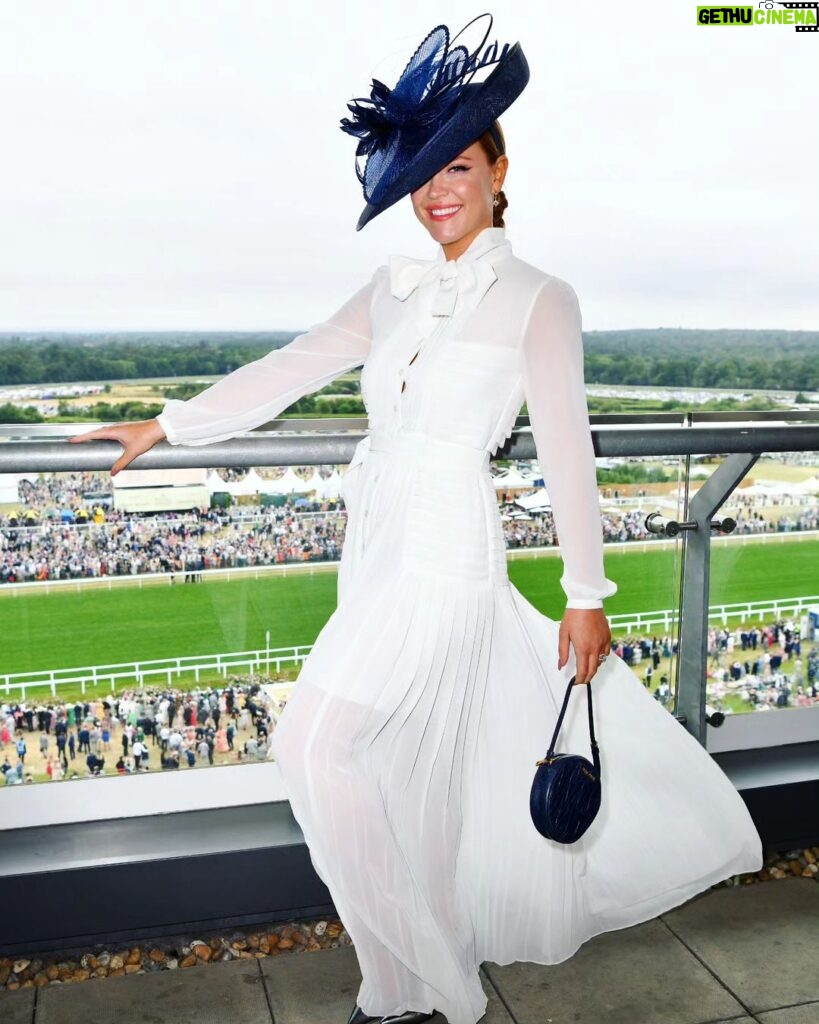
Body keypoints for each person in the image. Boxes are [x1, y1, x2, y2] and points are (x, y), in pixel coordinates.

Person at [71, 14, 763, 1024]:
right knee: (400, 778)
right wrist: (166, 425)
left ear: (498, 169)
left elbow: (567, 449)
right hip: (379, 544)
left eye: (458, 166)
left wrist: (586, 595)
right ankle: (400, 987)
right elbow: (290, 367)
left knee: (311, 742)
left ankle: (423, 983)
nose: (437, 190)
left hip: (448, 553)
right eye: (422, 172)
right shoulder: (391, 288)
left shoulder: (539, 297)